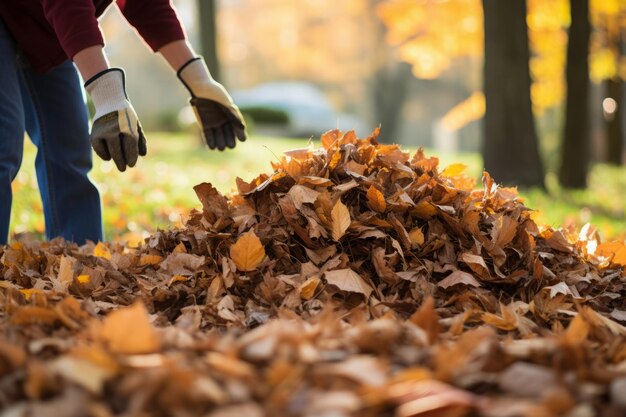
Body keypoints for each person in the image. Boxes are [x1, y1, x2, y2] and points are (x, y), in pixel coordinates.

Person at [0, 0, 247, 245]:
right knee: (4, 142)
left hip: (44, 28)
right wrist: (106, 93)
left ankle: (79, 267)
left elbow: (146, 5)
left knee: (70, 147)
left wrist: (199, 80)